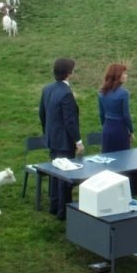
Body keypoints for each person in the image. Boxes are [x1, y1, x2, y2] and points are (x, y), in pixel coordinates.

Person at [39, 57, 84, 219]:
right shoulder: (66, 94)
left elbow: (42, 115)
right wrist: (78, 141)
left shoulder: (47, 89)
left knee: (55, 174)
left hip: (52, 139)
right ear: (68, 74)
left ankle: (54, 205)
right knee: (65, 177)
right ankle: (63, 211)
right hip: (64, 142)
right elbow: (70, 121)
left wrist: (48, 133)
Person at [98, 64, 134, 153]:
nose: (126, 75)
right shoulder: (124, 93)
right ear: (118, 76)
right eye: (124, 73)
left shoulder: (102, 92)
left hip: (107, 128)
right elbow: (126, 115)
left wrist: (105, 127)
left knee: (107, 157)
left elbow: (102, 114)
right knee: (123, 158)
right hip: (120, 129)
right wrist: (131, 131)